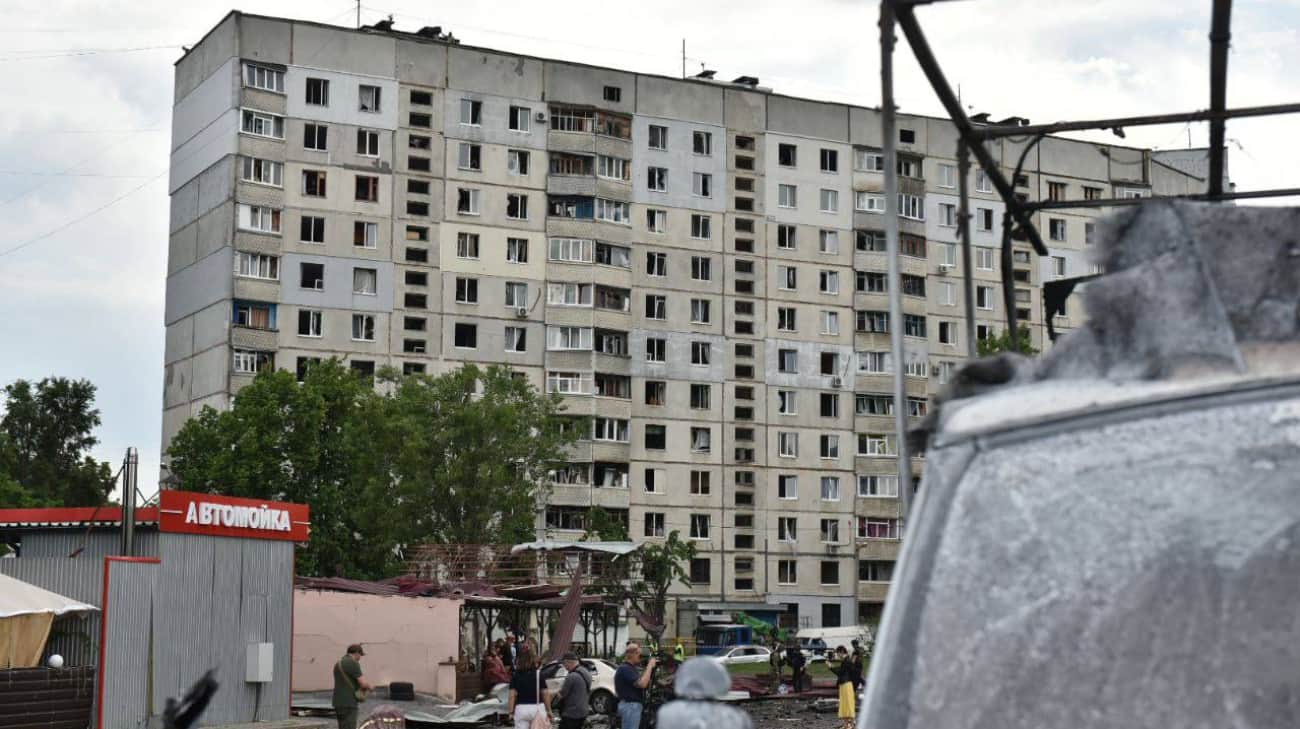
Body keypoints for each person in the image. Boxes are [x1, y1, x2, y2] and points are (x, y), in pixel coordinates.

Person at [614, 641, 658, 729]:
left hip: (631, 706)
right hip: (630, 706)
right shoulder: (625, 668)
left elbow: (644, 682)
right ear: (631, 654)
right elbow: (642, 684)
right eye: (638, 653)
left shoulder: (630, 668)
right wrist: (649, 666)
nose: (640, 656)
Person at [332, 643, 375, 729]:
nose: (360, 658)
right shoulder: (353, 663)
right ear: (356, 653)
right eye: (360, 655)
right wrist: (370, 687)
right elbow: (362, 684)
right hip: (349, 702)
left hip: (337, 701)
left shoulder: (338, 664)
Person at [506, 647, 550, 729]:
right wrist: (549, 710)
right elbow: (545, 693)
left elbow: (512, 695)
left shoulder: (516, 676)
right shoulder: (539, 674)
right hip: (537, 708)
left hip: (521, 708)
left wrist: (511, 712)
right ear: (532, 660)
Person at [553, 652, 591, 729]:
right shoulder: (586, 672)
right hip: (583, 711)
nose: (564, 666)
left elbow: (562, 695)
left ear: (568, 662)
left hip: (571, 713)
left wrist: (554, 691)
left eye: (564, 663)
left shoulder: (571, 676)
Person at [833, 646, 856, 729]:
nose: (837, 655)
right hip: (845, 684)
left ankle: (852, 724)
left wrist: (831, 667)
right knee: (845, 705)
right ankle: (846, 725)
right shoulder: (846, 660)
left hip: (846, 684)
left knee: (848, 704)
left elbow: (840, 672)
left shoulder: (846, 661)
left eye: (838, 653)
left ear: (842, 652)